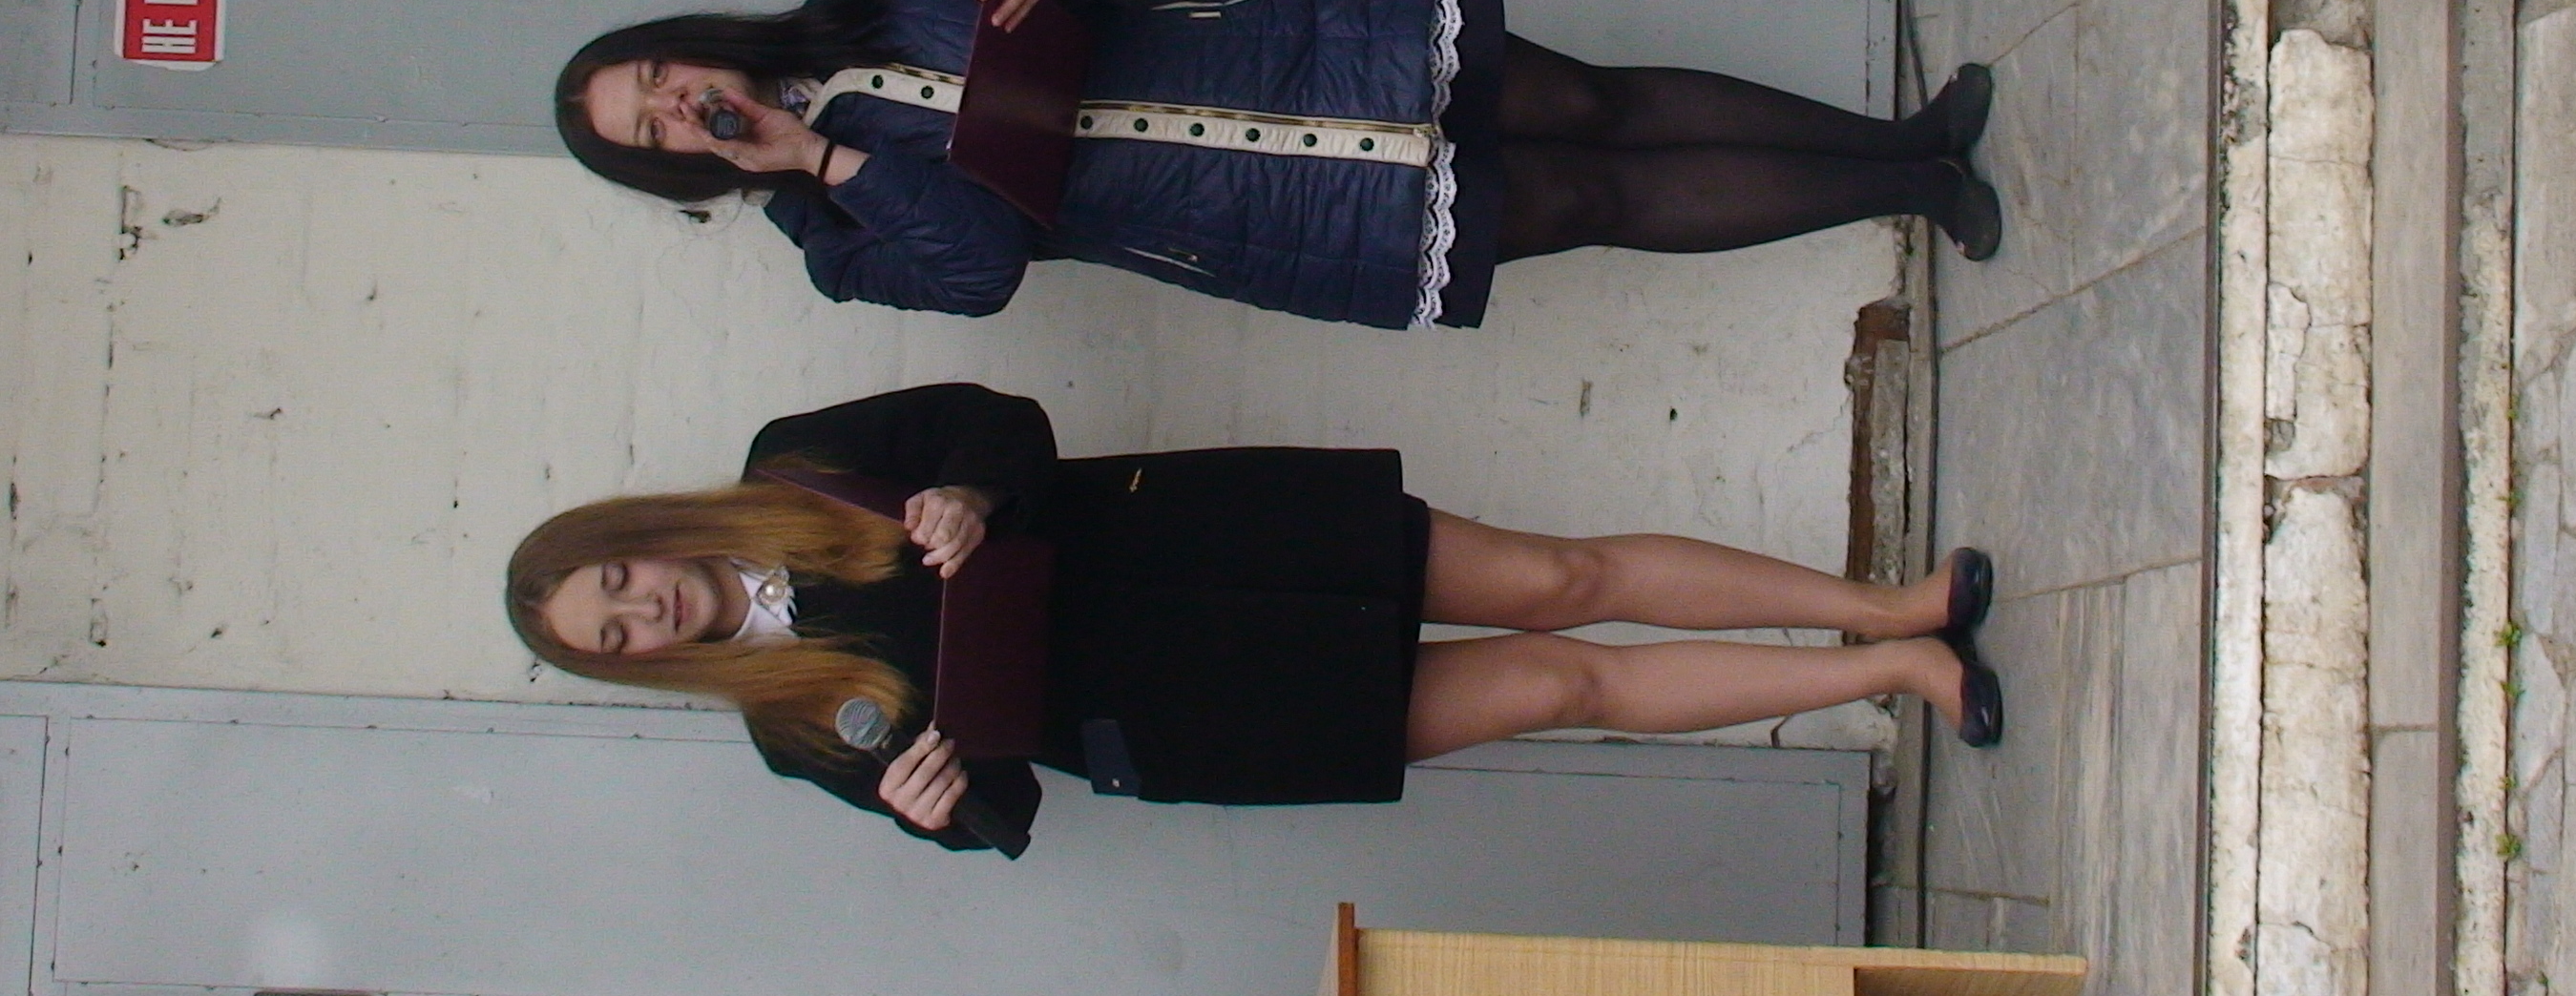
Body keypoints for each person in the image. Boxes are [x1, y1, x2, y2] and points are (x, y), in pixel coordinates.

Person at [506, 384, 2004, 851]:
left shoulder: (794, 465)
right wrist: (937, 810)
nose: (644, 609)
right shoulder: (790, 731)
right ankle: (1897, 670)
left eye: (617, 580)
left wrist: (966, 492)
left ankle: (1888, 599)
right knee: (1563, 686)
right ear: (640, 667)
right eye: (616, 636)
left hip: (1206, 534)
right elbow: (1009, 807)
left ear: (636, 538)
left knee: (1564, 579)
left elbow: (1001, 419)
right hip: (1192, 711)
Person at [555, 0, 2002, 329]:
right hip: (1270, 214)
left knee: (1595, 98)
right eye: (653, 132)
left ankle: (1907, 134)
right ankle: (1916, 194)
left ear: (678, 45)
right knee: (1593, 201)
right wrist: (819, 156)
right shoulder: (833, 243)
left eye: (655, 81)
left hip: (1281, 55)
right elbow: (982, 268)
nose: (677, 108)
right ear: (676, 170)